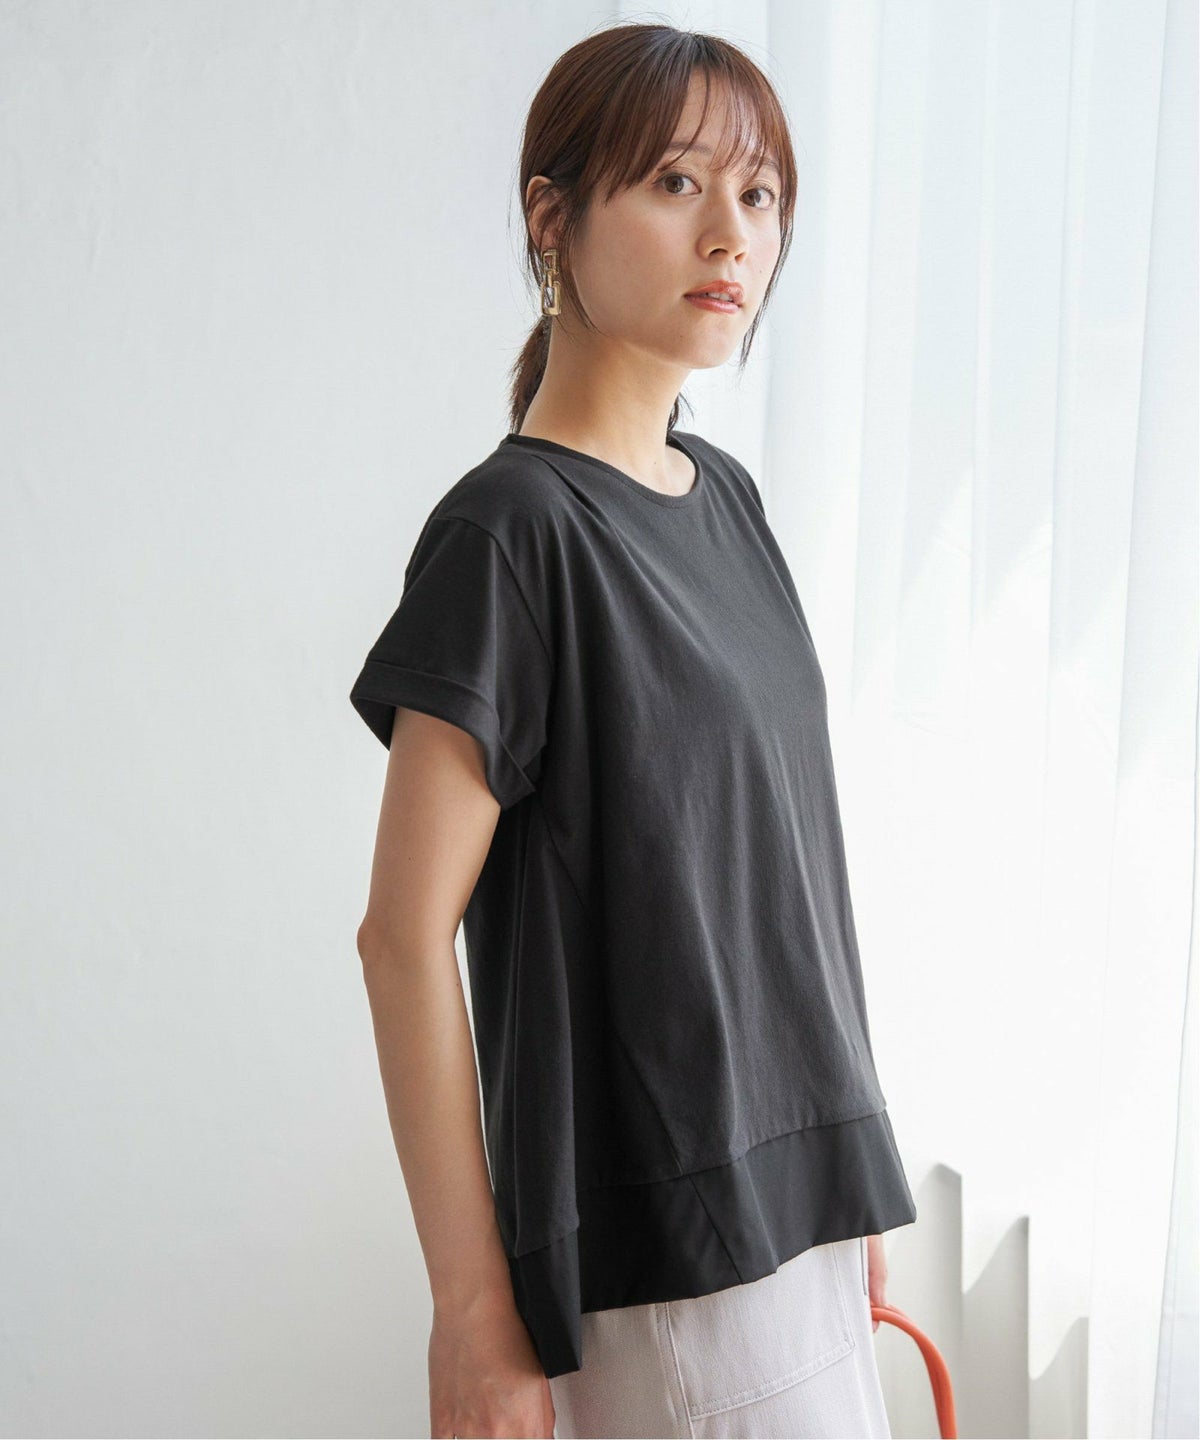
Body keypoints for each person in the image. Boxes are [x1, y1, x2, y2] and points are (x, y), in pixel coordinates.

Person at [349, 22, 917, 1440]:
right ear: (553, 219)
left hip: (803, 1224)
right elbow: (402, 938)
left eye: (759, 193)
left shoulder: (725, 499)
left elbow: (785, 879)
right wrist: (472, 1313)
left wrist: (846, 1168)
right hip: (675, 1264)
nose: (732, 233)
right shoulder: (511, 536)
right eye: (676, 182)